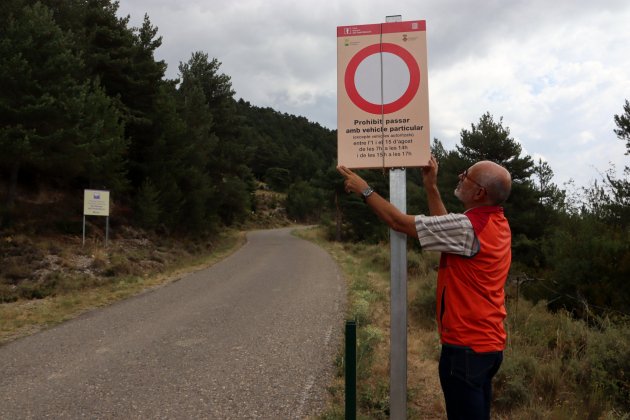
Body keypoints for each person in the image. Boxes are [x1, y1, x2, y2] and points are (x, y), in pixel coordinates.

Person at [337, 156, 512, 420]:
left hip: (466, 348)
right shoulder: (495, 223)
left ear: (479, 192)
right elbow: (446, 235)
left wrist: (365, 189)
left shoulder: (470, 226)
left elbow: (398, 222)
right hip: (487, 347)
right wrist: (431, 187)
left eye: (467, 176)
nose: (460, 177)